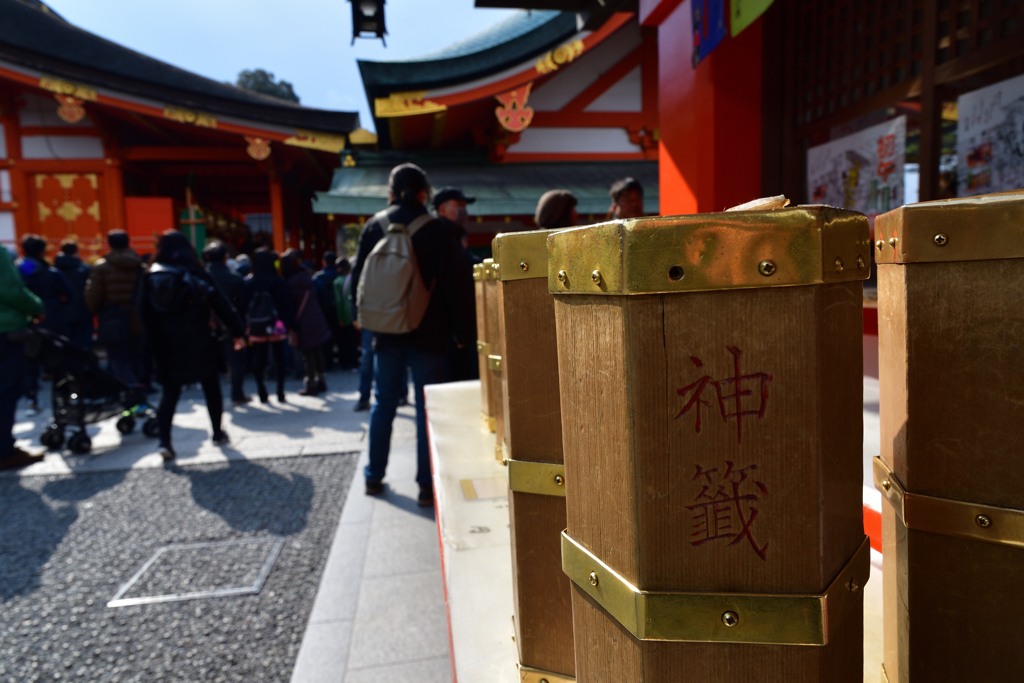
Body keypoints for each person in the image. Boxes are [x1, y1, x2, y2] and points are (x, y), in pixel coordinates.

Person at [353, 163, 475, 505]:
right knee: (427, 409)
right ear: (424, 193)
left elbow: (358, 275)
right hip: (429, 333)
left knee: (384, 404)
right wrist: (461, 332)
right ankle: (425, 485)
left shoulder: (374, 226)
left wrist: (359, 317)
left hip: (385, 332)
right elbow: (455, 285)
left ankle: (374, 477)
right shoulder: (437, 229)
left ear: (391, 191)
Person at [140, 231, 244, 461]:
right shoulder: (195, 272)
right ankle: (217, 432)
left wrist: (150, 346)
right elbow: (221, 304)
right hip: (199, 338)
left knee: (170, 392)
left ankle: (164, 441)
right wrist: (237, 331)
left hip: (166, 343)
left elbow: (143, 315)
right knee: (210, 387)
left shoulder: (150, 276)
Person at [0, 245, 45, 470]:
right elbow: (11, 290)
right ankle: (4, 451)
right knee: (6, 391)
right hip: (4, 330)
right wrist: (37, 307)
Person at [16, 235, 73, 413]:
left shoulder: (18, 273)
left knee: (30, 364)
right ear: (43, 251)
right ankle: (64, 399)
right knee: (60, 362)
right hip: (54, 322)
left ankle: (31, 400)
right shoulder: (52, 273)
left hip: (30, 324)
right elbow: (69, 295)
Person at [85, 230, 145, 388]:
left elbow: (93, 296)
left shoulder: (101, 267)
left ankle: (131, 394)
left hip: (113, 319)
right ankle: (140, 391)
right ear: (129, 243)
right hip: (137, 317)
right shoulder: (140, 266)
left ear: (107, 244)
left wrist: (95, 310)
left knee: (119, 359)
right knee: (136, 356)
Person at [432, 187, 479, 382]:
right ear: (442, 209)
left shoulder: (455, 235)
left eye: (464, 206)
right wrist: (461, 331)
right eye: (458, 205)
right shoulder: (439, 236)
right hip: (446, 331)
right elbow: (453, 286)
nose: (463, 210)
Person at [242, 249, 294, 404]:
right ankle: (280, 391)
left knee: (259, 358)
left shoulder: (249, 282)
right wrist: (289, 324)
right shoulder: (279, 282)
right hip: (277, 325)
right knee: (279, 358)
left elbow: (244, 305)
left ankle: (261, 391)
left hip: (257, 325)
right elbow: (287, 305)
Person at [203, 241, 249, 404]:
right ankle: (237, 394)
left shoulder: (200, 279)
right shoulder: (235, 279)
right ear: (225, 258)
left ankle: (213, 400)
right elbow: (242, 306)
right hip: (231, 326)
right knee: (235, 362)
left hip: (206, 328)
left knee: (209, 364)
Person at [281, 249, 331, 396]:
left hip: (303, 320)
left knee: (308, 354)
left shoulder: (290, 283)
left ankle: (311, 384)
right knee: (317, 351)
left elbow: (290, 305)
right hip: (316, 317)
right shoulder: (307, 276)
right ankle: (321, 380)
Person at [54, 240, 93, 350]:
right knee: (84, 345)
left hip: (61, 312)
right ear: (76, 251)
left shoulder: (55, 270)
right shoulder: (85, 269)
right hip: (83, 311)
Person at [312, 251, 341, 370]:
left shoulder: (318, 277)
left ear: (323, 262)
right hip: (338, 309)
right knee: (341, 335)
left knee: (325, 337)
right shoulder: (339, 275)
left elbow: (314, 295)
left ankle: (327, 362)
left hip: (323, 310)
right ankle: (345, 360)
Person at [332, 257, 360, 370]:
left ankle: (347, 362)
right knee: (354, 339)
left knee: (345, 339)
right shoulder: (354, 278)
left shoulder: (337, 282)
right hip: (356, 311)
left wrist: (340, 318)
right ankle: (356, 362)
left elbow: (338, 301)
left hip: (345, 313)